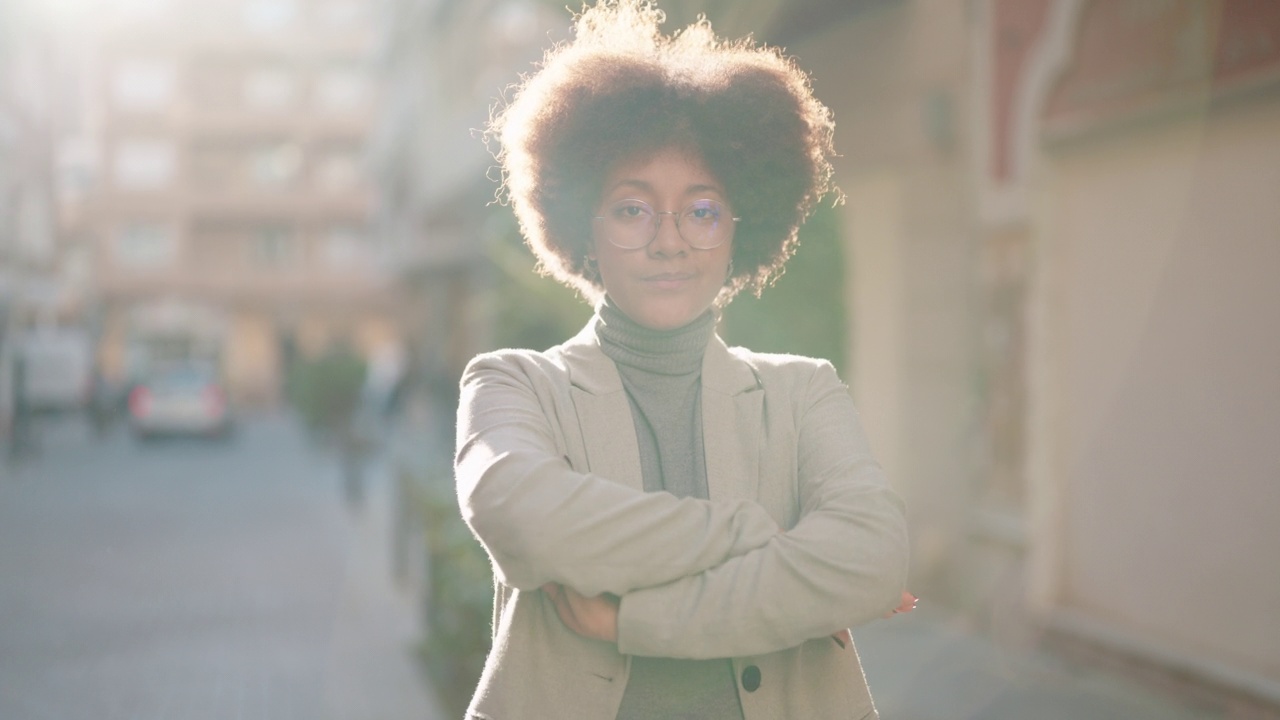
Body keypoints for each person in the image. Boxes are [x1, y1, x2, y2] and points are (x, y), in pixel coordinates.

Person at [454, 2, 913, 717]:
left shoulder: (804, 393)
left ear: (740, 228)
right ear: (584, 226)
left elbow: (877, 559)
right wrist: (762, 535)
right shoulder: (514, 385)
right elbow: (524, 519)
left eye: (701, 210)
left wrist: (635, 622)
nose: (670, 240)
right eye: (633, 209)